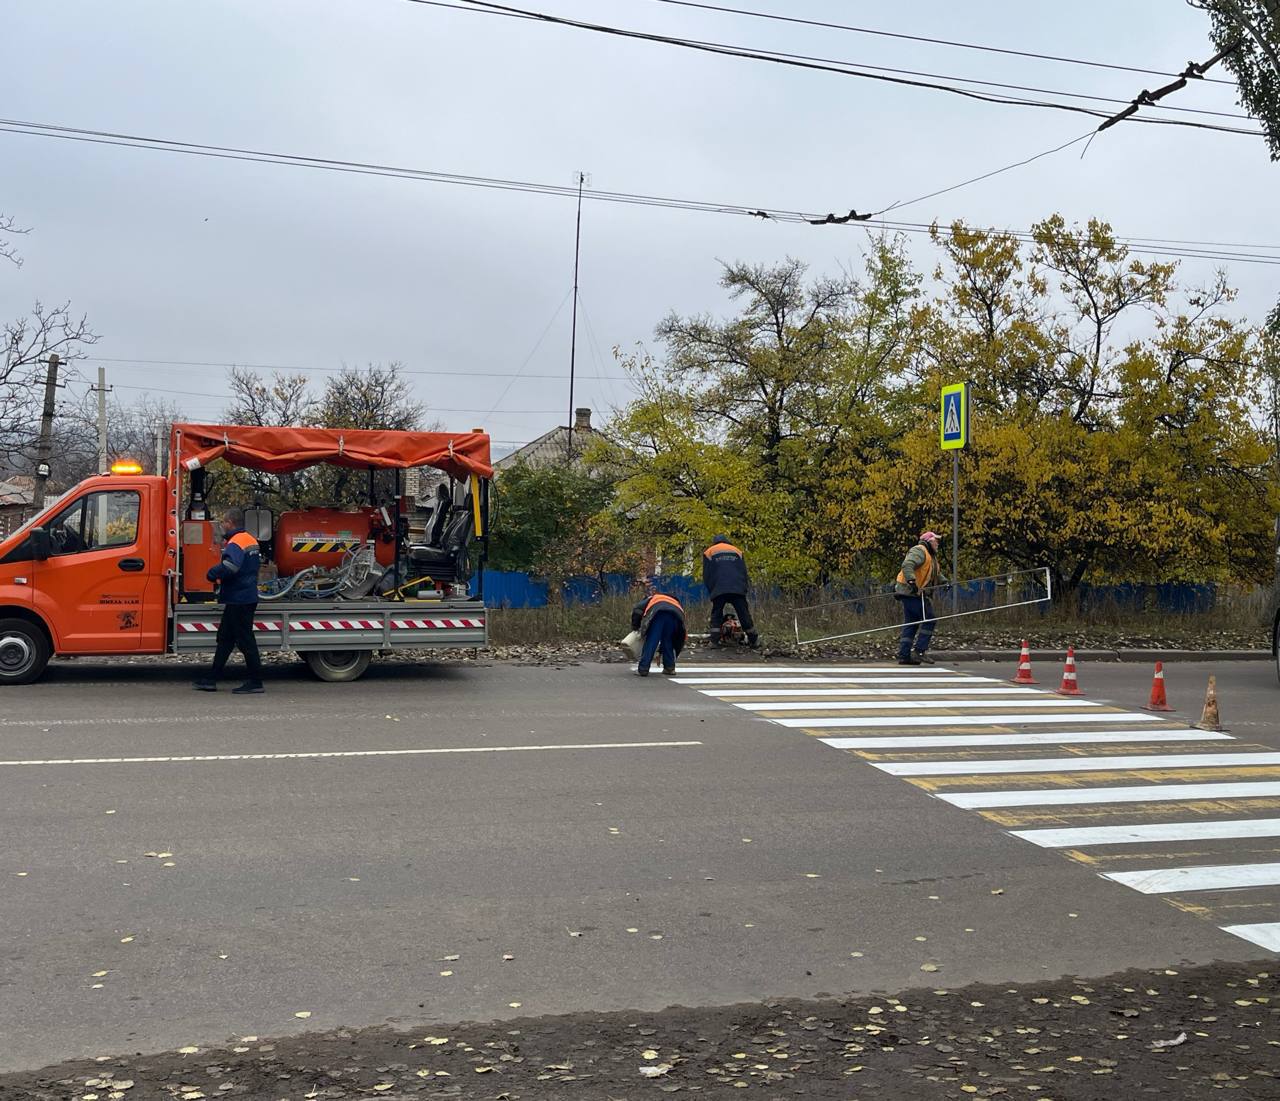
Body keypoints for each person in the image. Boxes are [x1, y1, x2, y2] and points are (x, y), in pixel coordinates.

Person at [194, 507, 265, 693]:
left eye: (224, 522)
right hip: (244, 596)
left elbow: (231, 567)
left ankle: (256, 682)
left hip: (239, 598)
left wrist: (212, 573)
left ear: (231, 523)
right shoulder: (250, 539)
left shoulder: (236, 543)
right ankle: (211, 678)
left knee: (245, 641)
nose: (223, 525)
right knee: (225, 639)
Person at [895, 530, 945, 666]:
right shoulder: (920, 550)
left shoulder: (930, 556)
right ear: (929, 541)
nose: (937, 544)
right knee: (930, 619)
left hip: (911, 593)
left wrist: (944, 581)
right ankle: (919, 651)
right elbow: (907, 565)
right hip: (911, 591)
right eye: (935, 541)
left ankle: (904, 655)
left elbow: (934, 573)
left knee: (912, 622)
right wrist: (911, 581)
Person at [702, 534, 759, 648]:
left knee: (717, 613)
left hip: (719, 587)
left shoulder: (709, 552)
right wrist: (743, 588)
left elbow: (707, 574)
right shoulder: (737, 551)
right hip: (737, 587)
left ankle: (714, 641)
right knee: (743, 613)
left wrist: (711, 590)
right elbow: (743, 571)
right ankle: (753, 640)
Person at [630, 590, 687, 677]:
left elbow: (637, 610)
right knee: (668, 640)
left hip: (658, 614)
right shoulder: (676, 602)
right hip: (675, 616)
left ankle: (643, 669)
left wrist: (635, 626)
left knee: (652, 640)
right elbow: (679, 635)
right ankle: (669, 667)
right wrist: (661, 651)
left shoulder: (654, 598)